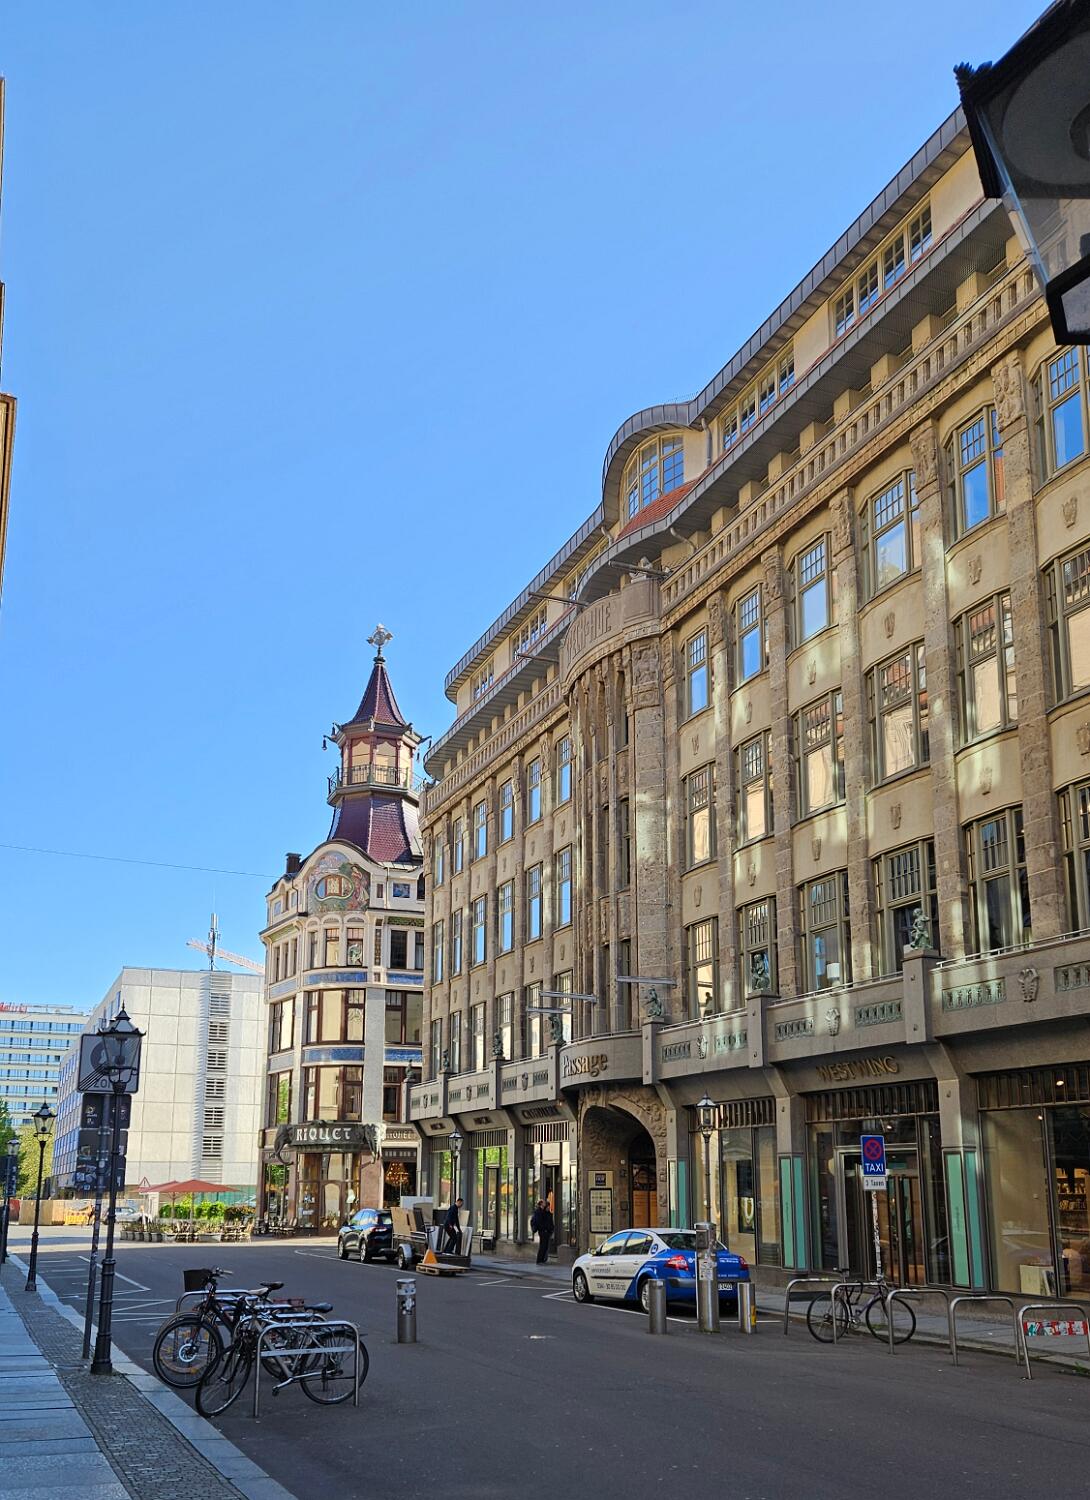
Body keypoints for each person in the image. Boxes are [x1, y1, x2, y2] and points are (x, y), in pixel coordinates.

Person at [530, 1199, 554, 1265]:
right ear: (541, 1204)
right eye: (544, 1203)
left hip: (546, 1231)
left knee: (545, 1246)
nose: (545, 1204)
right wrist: (544, 1228)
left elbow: (550, 1223)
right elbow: (539, 1222)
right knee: (543, 1246)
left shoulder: (545, 1212)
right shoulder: (539, 1211)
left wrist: (550, 1229)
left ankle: (542, 1260)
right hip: (543, 1231)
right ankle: (539, 1260)